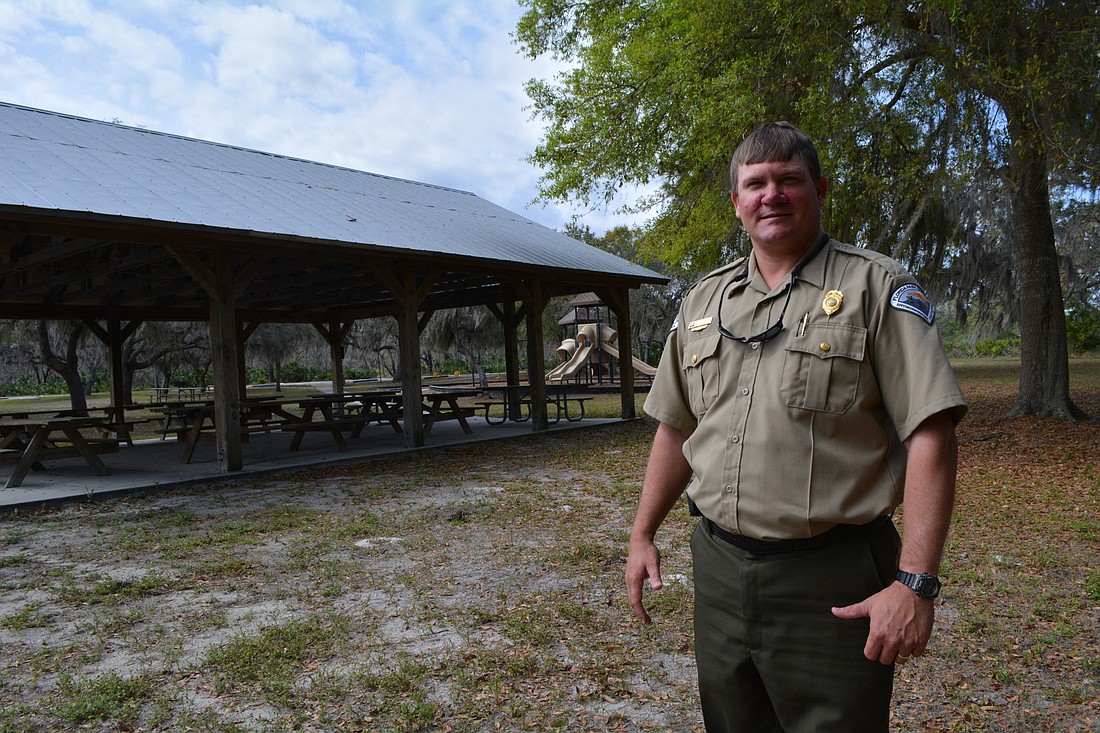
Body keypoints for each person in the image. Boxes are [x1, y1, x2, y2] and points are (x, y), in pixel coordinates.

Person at [625, 121, 967, 733]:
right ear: (736, 203)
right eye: (755, 183)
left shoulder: (876, 287)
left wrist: (916, 583)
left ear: (820, 190)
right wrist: (642, 532)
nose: (771, 195)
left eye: (789, 180)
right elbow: (676, 428)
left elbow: (931, 434)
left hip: (831, 580)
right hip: (721, 570)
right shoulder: (702, 304)